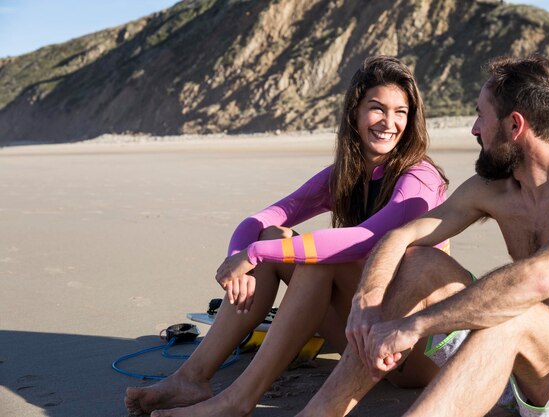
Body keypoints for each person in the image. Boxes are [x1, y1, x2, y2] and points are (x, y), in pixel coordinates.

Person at [297, 54, 549, 417]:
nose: (473, 129)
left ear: (514, 125)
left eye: (481, 116)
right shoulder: (494, 190)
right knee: (420, 262)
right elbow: (401, 237)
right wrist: (367, 301)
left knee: (512, 314)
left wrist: (413, 326)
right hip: (515, 372)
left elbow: (537, 281)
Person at [124, 55, 450, 417]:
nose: (390, 123)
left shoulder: (419, 179)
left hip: (415, 350)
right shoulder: (345, 174)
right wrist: (240, 258)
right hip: (365, 334)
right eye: (377, 108)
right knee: (274, 235)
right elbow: (264, 218)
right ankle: (192, 377)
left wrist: (257, 254)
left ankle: (237, 400)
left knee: (309, 260)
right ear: (354, 113)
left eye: (401, 112)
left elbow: (367, 237)